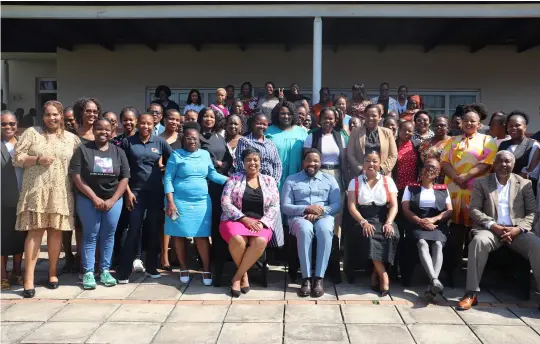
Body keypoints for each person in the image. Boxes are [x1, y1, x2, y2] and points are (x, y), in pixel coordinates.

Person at [14, 101, 81, 298]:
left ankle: (52, 273)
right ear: (42, 116)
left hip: (61, 191)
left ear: (61, 116)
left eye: (56, 114)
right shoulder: (31, 133)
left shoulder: (71, 139)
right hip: (36, 191)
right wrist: (36, 160)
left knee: (55, 232)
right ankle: (28, 278)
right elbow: (17, 158)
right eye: (48, 115)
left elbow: (78, 165)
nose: (52, 118)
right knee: (34, 232)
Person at [457, 151, 540, 310]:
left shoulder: (524, 184)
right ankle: (471, 293)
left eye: (508, 162)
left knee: (537, 244)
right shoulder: (482, 182)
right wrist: (492, 225)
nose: (504, 165)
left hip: (516, 231)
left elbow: (532, 212)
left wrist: (519, 229)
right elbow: (474, 210)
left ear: (513, 164)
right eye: (500, 161)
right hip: (490, 229)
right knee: (478, 242)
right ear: (494, 164)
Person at [164, 122, 228, 285]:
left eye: (194, 138)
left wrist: (232, 180)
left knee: (202, 235)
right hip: (178, 201)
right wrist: (170, 202)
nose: (191, 141)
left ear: (199, 139)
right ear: (183, 140)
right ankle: (184, 267)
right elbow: (168, 178)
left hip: (201, 202)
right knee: (178, 234)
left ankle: (206, 269)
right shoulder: (176, 155)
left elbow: (212, 175)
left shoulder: (205, 155)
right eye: (188, 138)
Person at [70, 118, 130, 289]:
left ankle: (105, 270)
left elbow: (125, 177)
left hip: (113, 199)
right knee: (91, 234)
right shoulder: (82, 150)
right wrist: (94, 198)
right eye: (98, 129)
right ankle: (88, 272)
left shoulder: (118, 152)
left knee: (108, 235)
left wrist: (112, 200)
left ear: (112, 132)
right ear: (93, 130)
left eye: (106, 129)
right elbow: (76, 176)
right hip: (88, 199)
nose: (103, 132)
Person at [441, 104, 497, 273]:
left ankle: (475, 271)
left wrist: (465, 177)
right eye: (466, 120)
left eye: (473, 121)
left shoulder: (488, 141)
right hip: (453, 192)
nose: (469, 123)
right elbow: (444, 162)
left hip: (476, 194)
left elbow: (486, 163)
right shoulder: (452, 140)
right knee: (455, 233)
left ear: (479, 124)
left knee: (475, 232)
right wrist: (457, 178)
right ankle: (451, 270)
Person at [117, 114, 172, 283]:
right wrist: (127, 192)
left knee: (153, 229)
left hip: (155, 192)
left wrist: (162, 171)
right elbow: (122, 169)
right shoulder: (128, 142)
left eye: (149, 123)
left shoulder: (160, 142)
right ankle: (124, 271)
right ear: (137, 124)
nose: (146, 126)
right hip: (135, 193)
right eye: (143, 123)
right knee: (133, 229)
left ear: (153, 124)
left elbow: (173, 160)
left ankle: (151, 267)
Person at [220, 148, 281, 297]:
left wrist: (263, 222)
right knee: (238, 240)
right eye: (248, 160)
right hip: (235, 219)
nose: (252, 163)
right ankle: (244, 275)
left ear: (260, 162)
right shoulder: (234, 179)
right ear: (243, 162)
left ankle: (236, 277)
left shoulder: (269, 181)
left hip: (260, 222)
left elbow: (275, 205)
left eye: (255, 160)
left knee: (260, 240)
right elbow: (225, 202)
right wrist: (243, 218)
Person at [282, 149, 341, 298]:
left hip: (323, 216)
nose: (312, 164)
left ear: (320, 163)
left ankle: (319, 278)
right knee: (305, 229)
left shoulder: (330, 180)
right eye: (309, 160)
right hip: (299, 217)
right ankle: (306, 278)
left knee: (325, 229)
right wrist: (306, 209)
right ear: (303, 162)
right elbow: (285, 206)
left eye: (316, 161)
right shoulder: (291, 179)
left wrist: (320, 211)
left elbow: (336, 204)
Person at [346, 151, 399, 296]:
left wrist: (389, 222)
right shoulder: (355, 181)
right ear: (363, 163)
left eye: (375, 161)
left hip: (383, 218)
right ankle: (383, 275)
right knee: (370, 236)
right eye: (368, 160)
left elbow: (394, 205)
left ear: (379, 163)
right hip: (363, 218)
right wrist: (363, 222)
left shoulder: (388, 181)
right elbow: (351, 207)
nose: (371, 164)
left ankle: (374, 274)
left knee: (392, 234)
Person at [401, 159, 453, 300]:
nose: (430, 169)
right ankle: (435, 281)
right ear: (421, 170)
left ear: (438, 173)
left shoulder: (443, 189)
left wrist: (434, 219)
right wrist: (421, 221)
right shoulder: (411, 187)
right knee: (422, 243)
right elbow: (406, 209)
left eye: (434, 168)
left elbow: (449, 211)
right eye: (427, 166)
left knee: (437, 245)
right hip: (417, 223)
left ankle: (432, 284)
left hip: (437, 225)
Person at [1, 111, 26, 290]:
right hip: (2, 199)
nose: (8, 127)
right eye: (3, 124)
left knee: (19, 237)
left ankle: (17, 272)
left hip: (22, 198)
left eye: (12, 124)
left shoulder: (23, 144)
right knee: (2, 238)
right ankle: (3, 275)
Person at [235, 113, 283, 196]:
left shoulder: (271, 144)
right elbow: (240, 163)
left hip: (269, 186)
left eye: (264, 124)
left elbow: (277, 164)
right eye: (258, 123)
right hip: (250, 185)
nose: (261, 126)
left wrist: (273, 181)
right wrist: (253, 181)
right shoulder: (244, 141)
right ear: (252, 124)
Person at [266, 100, 308, 190]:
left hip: (297, 175)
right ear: (277, 115)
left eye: (289, 114)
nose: (286, 116)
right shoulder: (268, 131)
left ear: (294, 115)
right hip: (275, 175)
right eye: (283, 113)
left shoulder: (302, 132)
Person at [347, 104, 398, 177]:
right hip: (360, 175)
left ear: (380, 117)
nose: (370, 118)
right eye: (367, 115)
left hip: (382, 175)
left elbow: (393, 155)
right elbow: (350, 154)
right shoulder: (355, 132)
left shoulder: (387, 132)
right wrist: (361, 170)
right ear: (364, 116)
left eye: (374, 116)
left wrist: (382, 170)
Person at [498, 110, 540, 192]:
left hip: (525, 191)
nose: (513, 128)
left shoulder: (533, 145)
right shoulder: (503, 144)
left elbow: (531, 172)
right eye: (510, 126)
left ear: (525, 127)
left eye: (517, 125)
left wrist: (508, 180)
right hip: (503, 189)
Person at [418, 116, 452, 183]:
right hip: (427, 179)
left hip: (446, 179)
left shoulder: (453, 142)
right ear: (432, 127)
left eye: (442, 125)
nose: (439, 127)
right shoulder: (424, 143)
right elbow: (420, 163)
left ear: (448, 127)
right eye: (436, 125)